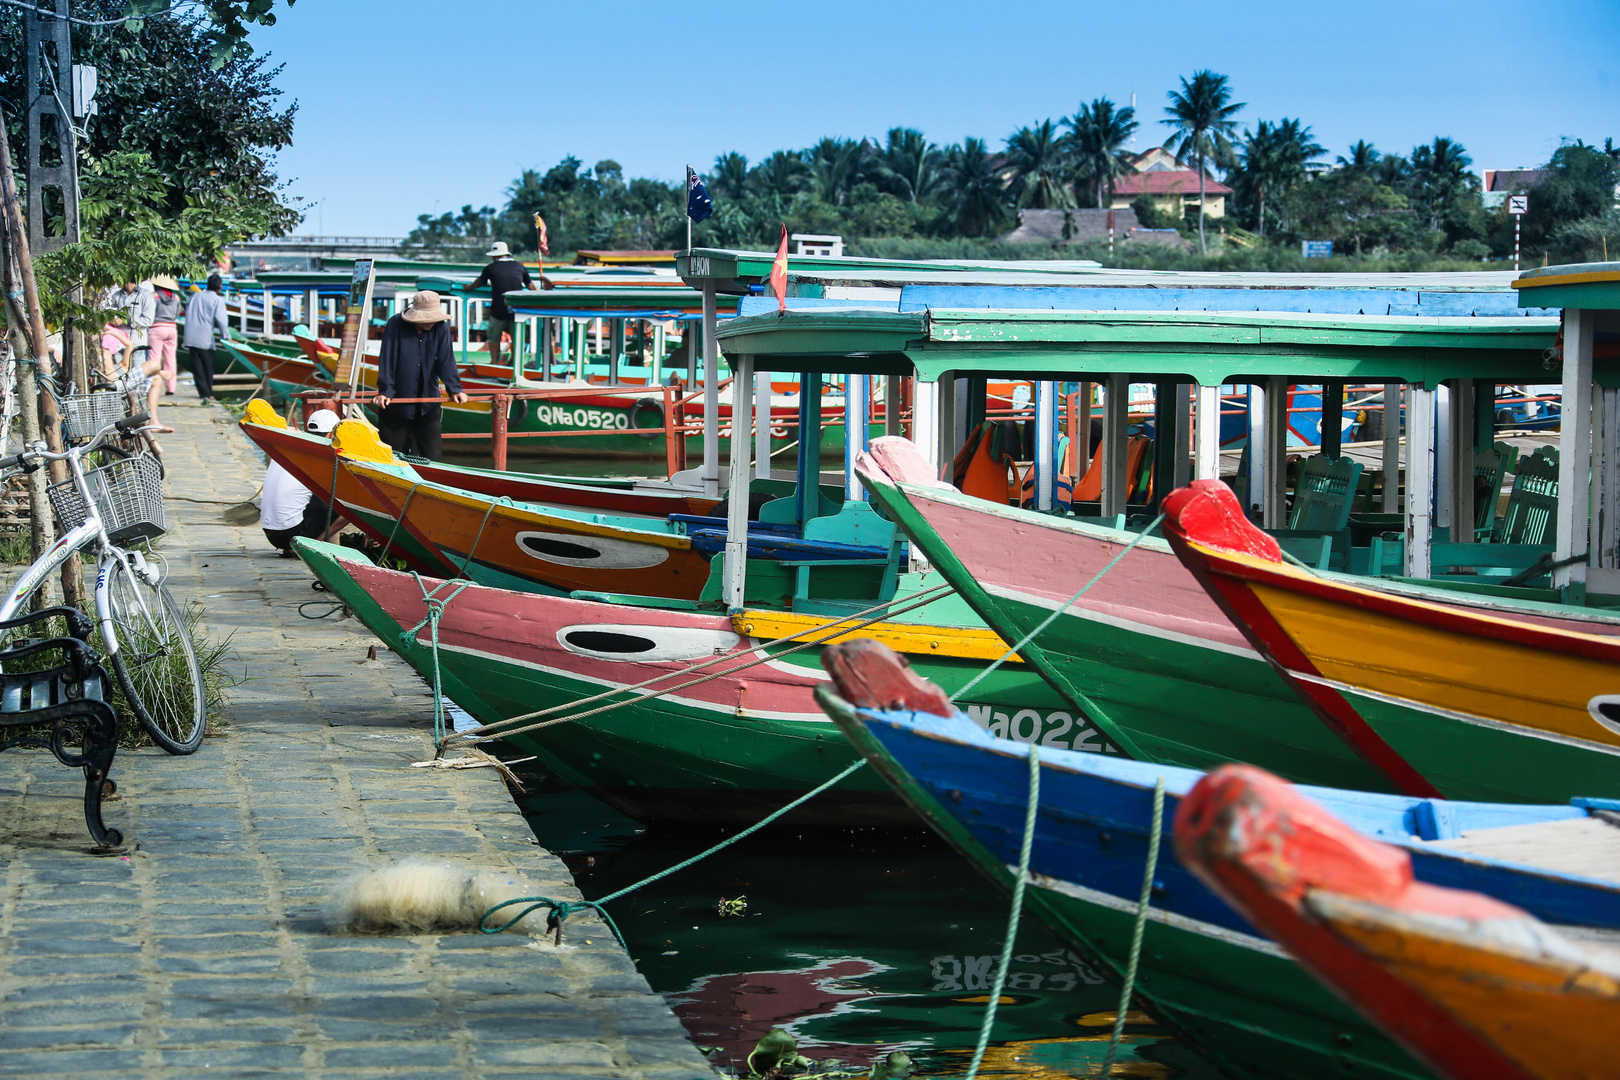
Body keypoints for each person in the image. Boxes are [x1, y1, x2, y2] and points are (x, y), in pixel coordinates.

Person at [373, 290, 468, 460]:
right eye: (426, 319)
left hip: (428, 400)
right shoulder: (395, 324)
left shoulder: (441, 327)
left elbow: (446, 359)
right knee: (392, 454)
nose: (430, 322)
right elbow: (387, 358)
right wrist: (385, 390)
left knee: (431, 454)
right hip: (396, 400)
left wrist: (455, 388)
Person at [261, 409, 347, 555]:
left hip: (270, 533)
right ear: (331, 435)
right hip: (291, 533)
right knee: (350, 506)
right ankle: (309, 547)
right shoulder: (320, 455)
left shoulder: (285, 447)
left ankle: (296, 547)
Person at [466, 241, 535, 367]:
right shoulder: (520, 266)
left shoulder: (490, 268)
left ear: (495, 256)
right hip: (516, 310)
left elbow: (478, 283)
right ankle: (516, 362)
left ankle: (494, 361)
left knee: (493, 337)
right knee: (517, 337)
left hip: (498, 310)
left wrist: (469, 287)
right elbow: (531, 286)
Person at [182, 274, 231, 402]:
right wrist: (226, 337)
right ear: (220, 287)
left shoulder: (194, 296)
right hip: (205, 339)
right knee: (207, 368)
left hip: (191, 337)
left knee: (197, 368)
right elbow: (222, 321)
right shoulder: (217, 300)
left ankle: (203, 393)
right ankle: (209, 393)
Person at [149, 275, 182, 397]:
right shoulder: (176, 297)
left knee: (154, 358)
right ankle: (170, 388)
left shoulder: (154, 296)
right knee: (171, 358)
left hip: (156, 328)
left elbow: (151, 313)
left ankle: (154, 383)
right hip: (172, 328)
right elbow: (177, 314)